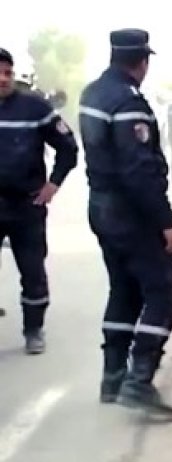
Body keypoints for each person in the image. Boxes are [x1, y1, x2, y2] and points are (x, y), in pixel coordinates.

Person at [78, 29, 172, 421]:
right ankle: (139, 382)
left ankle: (112, 377)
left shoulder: (93, 93)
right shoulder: (129, 102)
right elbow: (138, 171)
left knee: (123, 290)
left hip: (102, 210)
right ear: (143, 62)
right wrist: (167, 222)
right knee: (163, 295)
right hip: (131, 215)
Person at [0, 47, 78, 354]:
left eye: (7, 73)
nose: (2, 79)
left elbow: (69, 148)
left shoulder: (34, 107)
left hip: (26, 207)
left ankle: (34, 330)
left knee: (32, 272)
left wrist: (53, 184)